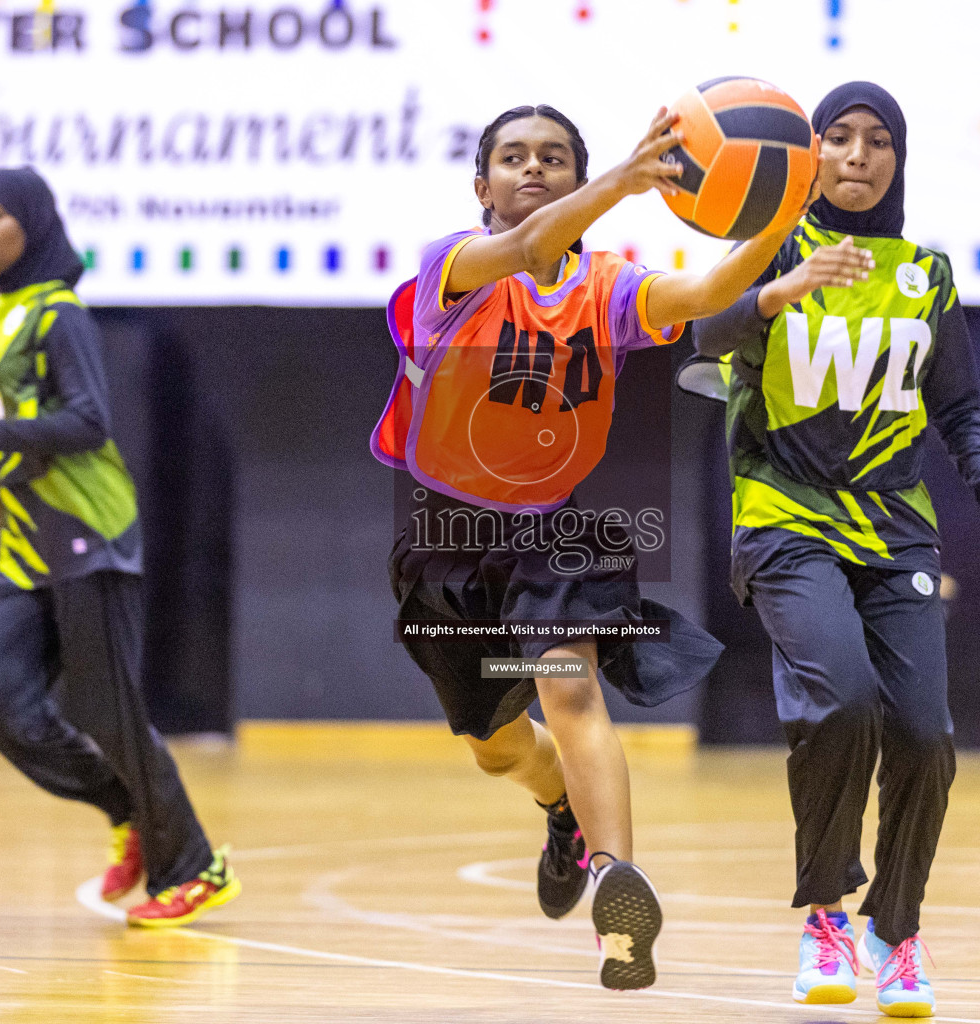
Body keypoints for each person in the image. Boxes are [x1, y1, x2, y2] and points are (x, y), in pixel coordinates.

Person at [372, 104, 800, 990]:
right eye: (516, 157)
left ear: (577, 174)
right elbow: (529, 250)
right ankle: (558, 806)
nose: (536, 169)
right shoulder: (450, 268)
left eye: (557, 158)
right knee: (494, 741)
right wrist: (621, 182)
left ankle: (618, 895)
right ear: (480, 184)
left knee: (571, 692)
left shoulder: (603, 284)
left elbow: (702, 295)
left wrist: (778, 220)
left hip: (553, 531)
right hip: (449, 539)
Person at [690, 82, 980, 1017]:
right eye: (836, 136)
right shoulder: (768, 252)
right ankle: (826, 916)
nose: (857, 154)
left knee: (926, 735)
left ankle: (897, 929)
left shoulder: (926, 273)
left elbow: (958, 407)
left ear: (898, 159)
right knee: (839, 702)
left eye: (878, 140)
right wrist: (774, 294)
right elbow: (692, 336)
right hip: (785, 518)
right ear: (810, 154)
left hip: (893, 530)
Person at [0, 166, 239, 928]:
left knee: (106, 708)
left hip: (87, 530)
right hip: (28, 541)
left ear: (34, 222)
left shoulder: (59, 315)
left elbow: (87, 421)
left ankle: (196, 866)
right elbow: (29, 415)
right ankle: (127, 810)